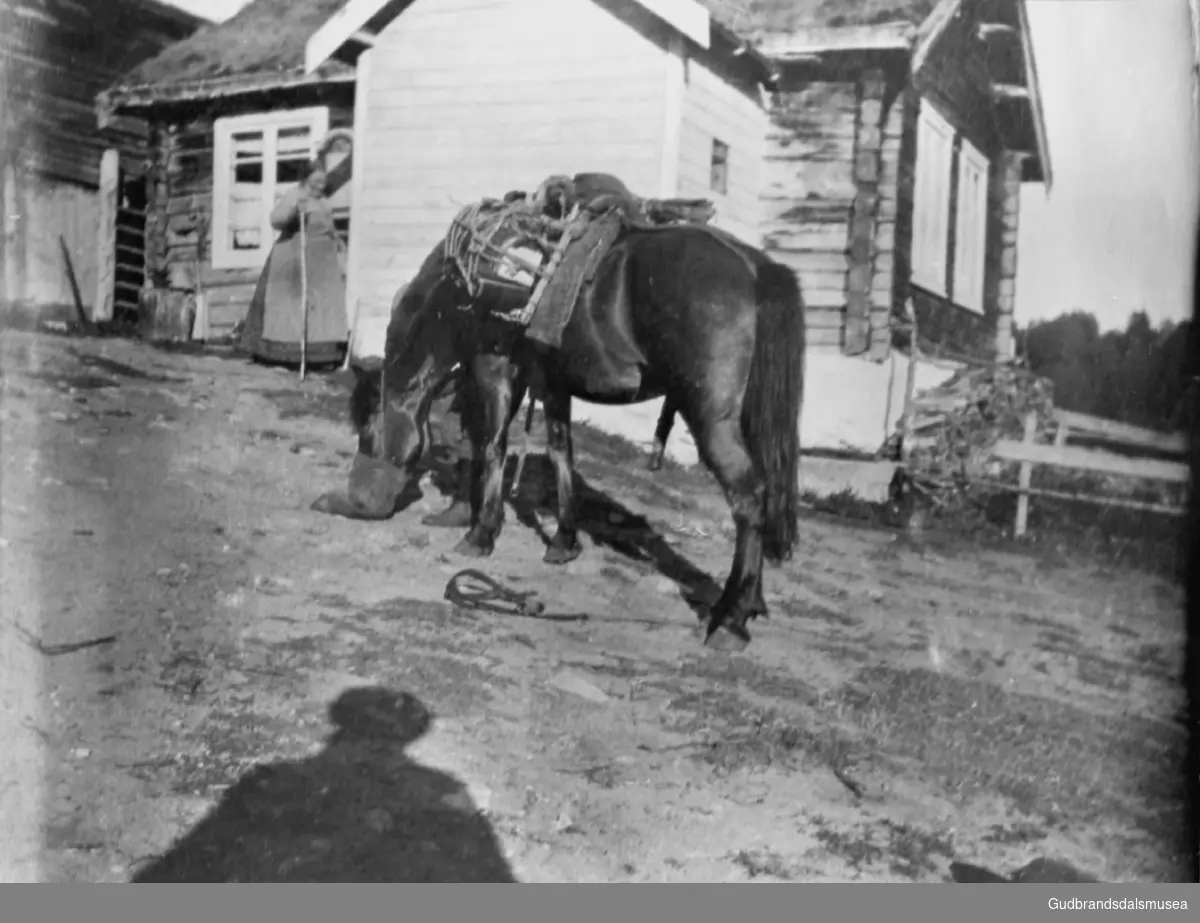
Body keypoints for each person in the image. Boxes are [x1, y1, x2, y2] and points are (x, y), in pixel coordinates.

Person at [239, 158, 348, 366]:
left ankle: (321, 356)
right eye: (315, 182)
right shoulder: (295, 195)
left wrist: (339, 243)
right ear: (305, 180)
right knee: (291, 307)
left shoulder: (324, 202)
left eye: (322, 181)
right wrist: (293, 210)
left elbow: (330, 227)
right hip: (294, 260)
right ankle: (281, 355)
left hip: (321, 264)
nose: (320, 186)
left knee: (321, 307)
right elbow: (275, 220)